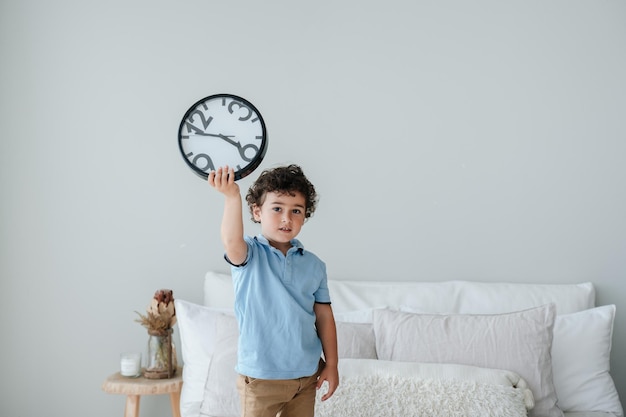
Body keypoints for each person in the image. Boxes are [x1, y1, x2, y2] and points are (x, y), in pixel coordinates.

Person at [208, 164, 339, 417]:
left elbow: (324, 317)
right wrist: (231, 196)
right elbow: (231, 241)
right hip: (260, 379)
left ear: (305, 215)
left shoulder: (315, 265)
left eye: (296, 211)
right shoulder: (249, 255)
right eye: (277, 208)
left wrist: (332, 364)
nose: (286, 218)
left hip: (306, 376)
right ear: (257, 212)